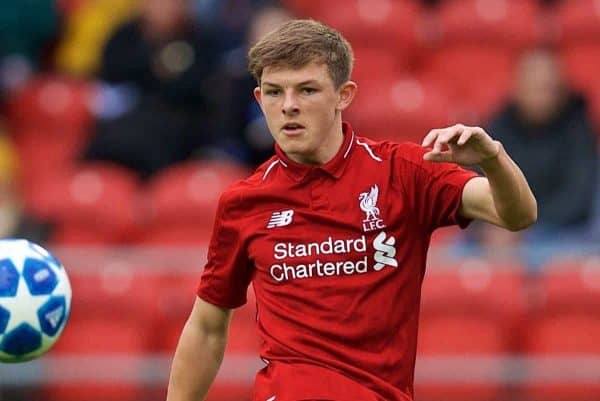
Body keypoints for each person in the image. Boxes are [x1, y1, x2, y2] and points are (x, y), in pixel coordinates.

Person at [166, 20, 537, 401]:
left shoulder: (403, 171)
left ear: (344, 95)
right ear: (260, 100)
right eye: (275, 93)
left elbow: (517, 215)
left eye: (307, 90)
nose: (289, 105)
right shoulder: (243, 202)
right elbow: (208, 327)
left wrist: (493, 159)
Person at [475, 48, 597, 254]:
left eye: (548, 88)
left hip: (559, 233)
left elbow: (578, 198)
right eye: (535, 87)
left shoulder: (579, 129)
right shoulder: (497, 127)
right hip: (500, 231)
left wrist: (522, 225)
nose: (541, 96)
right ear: (517, 87)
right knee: (445, 260)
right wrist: (492, 224)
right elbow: (476, 183)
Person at [83, 0, 224, 179]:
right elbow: (109, 78)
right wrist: (153, 68)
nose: (164, 7)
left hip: (176, 128)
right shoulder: (124, 36)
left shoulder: (201, 40)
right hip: (124, 123)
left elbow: (190, 89)